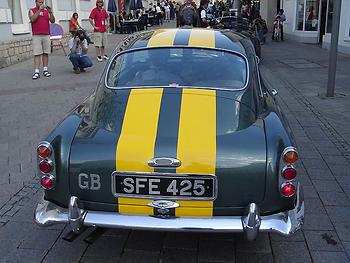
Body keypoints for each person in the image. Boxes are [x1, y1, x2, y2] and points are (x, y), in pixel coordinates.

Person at [28, 0, 55, 80]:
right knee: (37, 54)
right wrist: (39, 10)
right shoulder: (32, 10)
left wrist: (50, 12)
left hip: (46, 34)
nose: (41, 4)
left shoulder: (46, 12)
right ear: (35, 2)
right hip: (36, 35)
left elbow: (52, 21)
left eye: (42, 2)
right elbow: (32, 19)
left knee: (46, 53)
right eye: (39, 2)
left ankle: (45, 70)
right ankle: (36, 71)